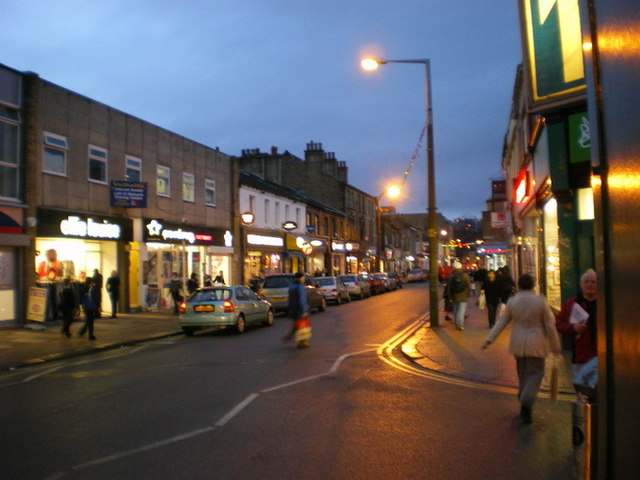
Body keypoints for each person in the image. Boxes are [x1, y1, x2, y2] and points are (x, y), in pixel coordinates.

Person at [482, 274, 561, 424]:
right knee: (535, 373)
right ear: (533, 285)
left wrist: (489, 339)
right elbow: (550, 325)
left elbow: (502, 321)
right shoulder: (540, 301)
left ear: (519, 285)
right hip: (536, 344)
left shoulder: (513, 301)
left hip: (517, 344)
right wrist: (556, 346)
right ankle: (526, 399)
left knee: (523, 374)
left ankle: (525, 409)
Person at [556, 269, 597, 386]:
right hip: (581, 357)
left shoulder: (605, 303)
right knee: (583, 392)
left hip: (602, 357)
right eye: (586, 282)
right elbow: (558, 323)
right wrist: (573, 328)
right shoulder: (571, 303)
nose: (590, 285)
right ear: (581, 284)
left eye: (593, 282)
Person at [285, 272, 310, 348]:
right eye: (303, 277)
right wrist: (304, 310)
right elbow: (302, 299)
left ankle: (291, 337)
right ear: (301, 278)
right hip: (300, 309)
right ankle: (301, 342)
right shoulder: (300, 286)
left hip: (293, 308)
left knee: (297, 324)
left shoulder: (292, 286)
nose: (304, 279)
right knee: (302, 326)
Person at [445, 261, 471, 331]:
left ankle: (456, 322)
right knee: (461, 310)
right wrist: (468, 294)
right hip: (464, 295)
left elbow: (449, 287)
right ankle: (459, 324)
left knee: (456, 309)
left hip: (454, 295)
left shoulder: (452, 275)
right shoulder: (465, 275)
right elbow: (468, 285)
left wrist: (450, 297)